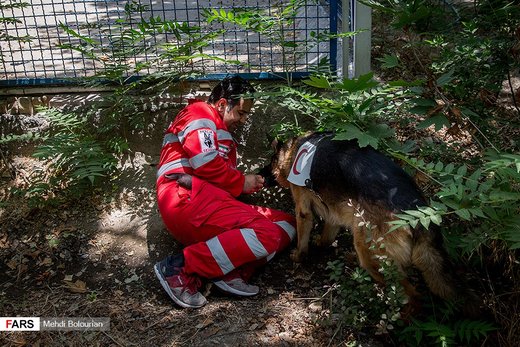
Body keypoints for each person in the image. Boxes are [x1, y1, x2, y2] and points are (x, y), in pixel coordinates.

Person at [154, 75, 296, 308]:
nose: (244, 120)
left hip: (205, 199)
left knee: (288, 223)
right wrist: (241, 182)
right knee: (268, 234)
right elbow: (206, 163)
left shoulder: (216, 128)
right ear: (221, 105)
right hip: (186, 199)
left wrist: (246, 183)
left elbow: (215, 172)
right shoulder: (199, 113)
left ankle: (228, 270)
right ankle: (179, 267)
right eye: (241, 113)